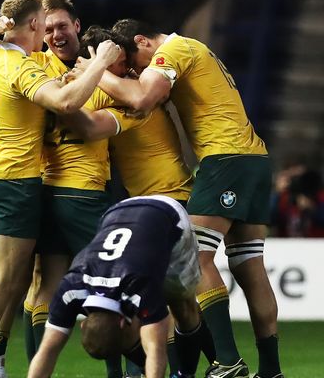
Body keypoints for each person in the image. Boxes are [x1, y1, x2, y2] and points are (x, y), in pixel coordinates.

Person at [97, 19, 282, 378]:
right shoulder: (197, 50)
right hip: (254, 161)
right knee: (249, 267)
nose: (138, 72)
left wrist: (94, 70)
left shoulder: (174, 50)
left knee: (193, 259)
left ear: (142, 41)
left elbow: (143, 96)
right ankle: (271, 371)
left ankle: (227, 362)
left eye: (137, 64)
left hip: (226, 159)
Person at [0, 0, 121, 378]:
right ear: (35, 26)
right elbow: (66, 105)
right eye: (46, 26)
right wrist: (99, 64)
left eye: (61, 26)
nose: (52, 33)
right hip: (22, 182)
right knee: (10, 281)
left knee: (25, 282)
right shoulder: (26, 67)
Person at [27, 196, 206, 378]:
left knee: (182, 305)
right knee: (125, 335)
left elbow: (155, 350)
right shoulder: (70, 287)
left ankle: (187, 374)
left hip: (168, 214)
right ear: (83, 325)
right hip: (116, 211)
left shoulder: (140, 285)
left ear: (123, 322)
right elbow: (47, 351)